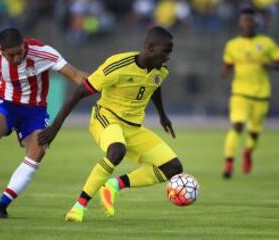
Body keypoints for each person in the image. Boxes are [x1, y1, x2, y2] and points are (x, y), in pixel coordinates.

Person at [38, 26, 183, 223]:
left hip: (133, 127)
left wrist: (162, 116)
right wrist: (55, 127)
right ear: (149, 48)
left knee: (173, 168)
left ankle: (113, 186)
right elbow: (80, 92)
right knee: (117, 151)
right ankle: (78, 207)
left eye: (170, 52)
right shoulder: (118, 65)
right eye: (165, 51)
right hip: (106, 118)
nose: (168, 57)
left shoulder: (161, 70)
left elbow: (154, 86)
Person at [0, 28, 88, 218]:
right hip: (5, 103)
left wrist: (104, 82)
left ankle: (1, 206)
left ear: (24, 45)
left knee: (38, 151)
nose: (17, 58)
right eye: (11, 55)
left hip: (34, 111)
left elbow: (77, 76)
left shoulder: (43, 53)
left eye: (20, 52)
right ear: (2, 51)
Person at [221, 7, 279, 179]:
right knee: (237, 125)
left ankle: (248, 152)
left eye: (250, 21)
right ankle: (228, 163)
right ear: (240, 24)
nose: (248, 24)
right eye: (245, 21)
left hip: (261, 94)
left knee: (254, 133)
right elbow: (227, 66)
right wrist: (225, 72)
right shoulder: (232, 45)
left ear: (255, 23)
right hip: (240, 94)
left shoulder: (266, 43)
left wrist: (270, 65)